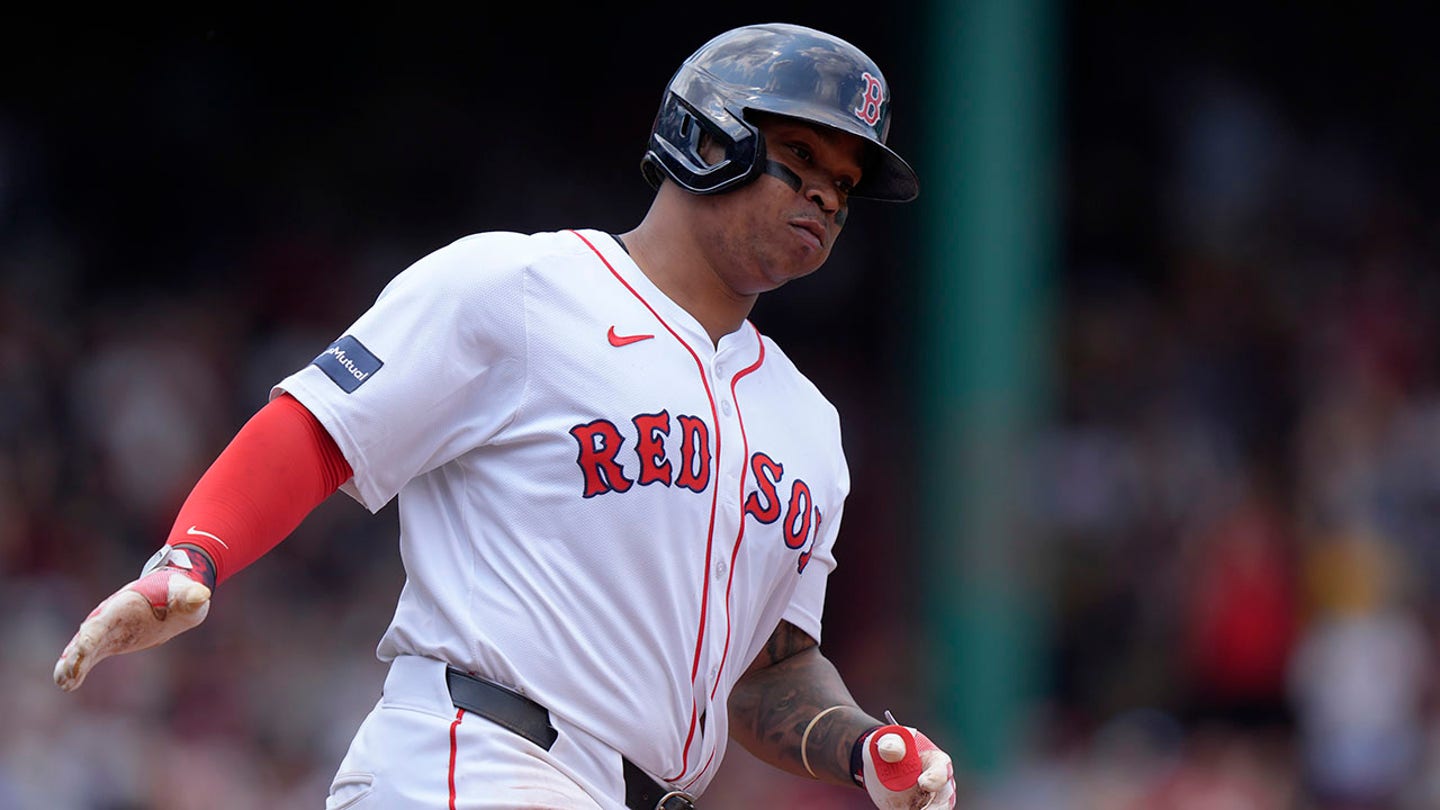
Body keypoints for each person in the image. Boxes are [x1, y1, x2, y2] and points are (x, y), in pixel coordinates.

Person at [53, 22, 958, 810]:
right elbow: (322, 428)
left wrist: (857, 747)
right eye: (800, 159)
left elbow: (768, 674)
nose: (825, 199)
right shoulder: (522, 287)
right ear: (708, 137)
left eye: (842, 185)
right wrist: (195, 553)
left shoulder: (810, 425)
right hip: (478, 756)